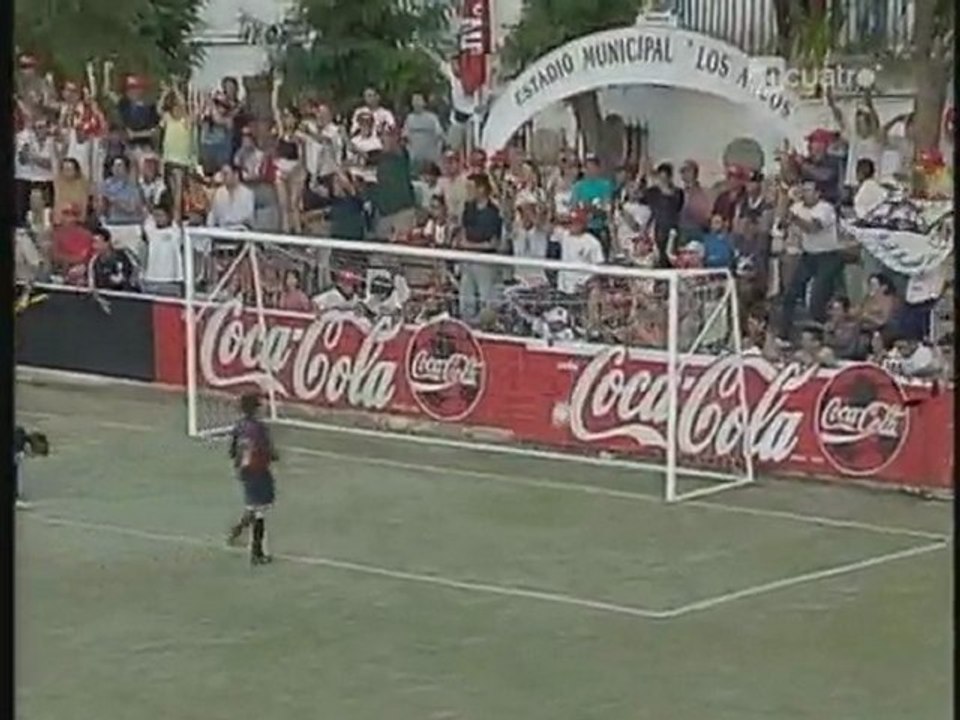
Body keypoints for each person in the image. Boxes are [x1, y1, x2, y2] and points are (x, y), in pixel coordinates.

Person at [779, 181, 845, 337]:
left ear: (817, 194)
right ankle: (784, 332)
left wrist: (794, 218)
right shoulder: (797, 208)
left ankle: (822, 332)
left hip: (827, 255)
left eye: (809, 190)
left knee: (818, 294)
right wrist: (784, 201)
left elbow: (813, 228)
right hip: (808, 255)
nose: (805, 193)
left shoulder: (825, 209)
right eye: (804, 190)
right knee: (790, 292)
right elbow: (782, 224)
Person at [226, 393, 277, 566]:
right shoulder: (259, 428)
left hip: (244, 471)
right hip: (258, 470)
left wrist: (238, 463)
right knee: (260, 511)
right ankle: (257, 552)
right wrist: (273, 456)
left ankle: (238, 530)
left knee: (254, 506)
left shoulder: (239, 426)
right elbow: (266, 448)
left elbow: (232, 450)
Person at [456, 173, 503, 323]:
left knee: (486, 297)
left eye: (471, 188)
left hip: (485, 261)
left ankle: (486, 325)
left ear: (481, 189)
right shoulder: (468, 208)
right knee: (466, 296)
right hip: (467, 259)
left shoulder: (493, 212)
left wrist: (471, 245)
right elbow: (463, 230)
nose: (468, 191)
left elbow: (493, 243)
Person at [141, 201, 184, 297]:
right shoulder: (151, 231)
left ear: (168, 216)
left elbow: (177, 216)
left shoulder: (175, 231)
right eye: (156, 215)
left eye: (161, 215)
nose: (158, 218)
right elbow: (147, 215)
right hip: (153, 277)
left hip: (171, 277)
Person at [402, 92, 444, 173]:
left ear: (424, 103)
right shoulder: (409, 118)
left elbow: (440, 136)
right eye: (414, 100)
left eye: (418, 100)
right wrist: (410, 152)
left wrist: (437, 154)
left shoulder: (432, 118)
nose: (416, 103)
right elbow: (405, 137)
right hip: (415, 159)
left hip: (431, 158)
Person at [207, 163, 255, 230]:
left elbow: (246, 219)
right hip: (221, 231)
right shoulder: (219, 192)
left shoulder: (247, 193)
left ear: (236, 175)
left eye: (226, 174)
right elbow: (213, 215)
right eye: (222, 174)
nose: (223, 177)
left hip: (239, 231)